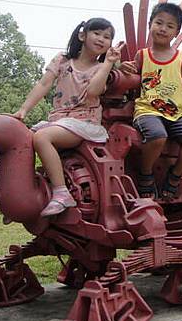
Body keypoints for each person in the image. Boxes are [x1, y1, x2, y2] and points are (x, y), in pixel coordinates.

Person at [13, 18, 123, 216]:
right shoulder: (62, 60)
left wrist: (108, 63)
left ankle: (62, 193)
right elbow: (43, 84)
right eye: (97, 33)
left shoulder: (101, 69)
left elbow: (93, 92)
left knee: (42, 137)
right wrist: (23, 110)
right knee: (22, 139)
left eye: (107, 37)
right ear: (82, 35)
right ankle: (21, 194)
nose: (101, 39)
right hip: (59, 120)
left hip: (84, 122)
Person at [120, 3, 182, 199]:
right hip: (147, 110)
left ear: (176, 32)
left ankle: (174, 176)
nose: (163, 28)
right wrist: (123, 68)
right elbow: (130, 74)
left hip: (175, 113)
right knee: (157, 136)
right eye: (159, 23)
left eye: (170, 25)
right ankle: (145, 174)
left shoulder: (181, 58)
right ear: (151, 25)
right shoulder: (143, 55)